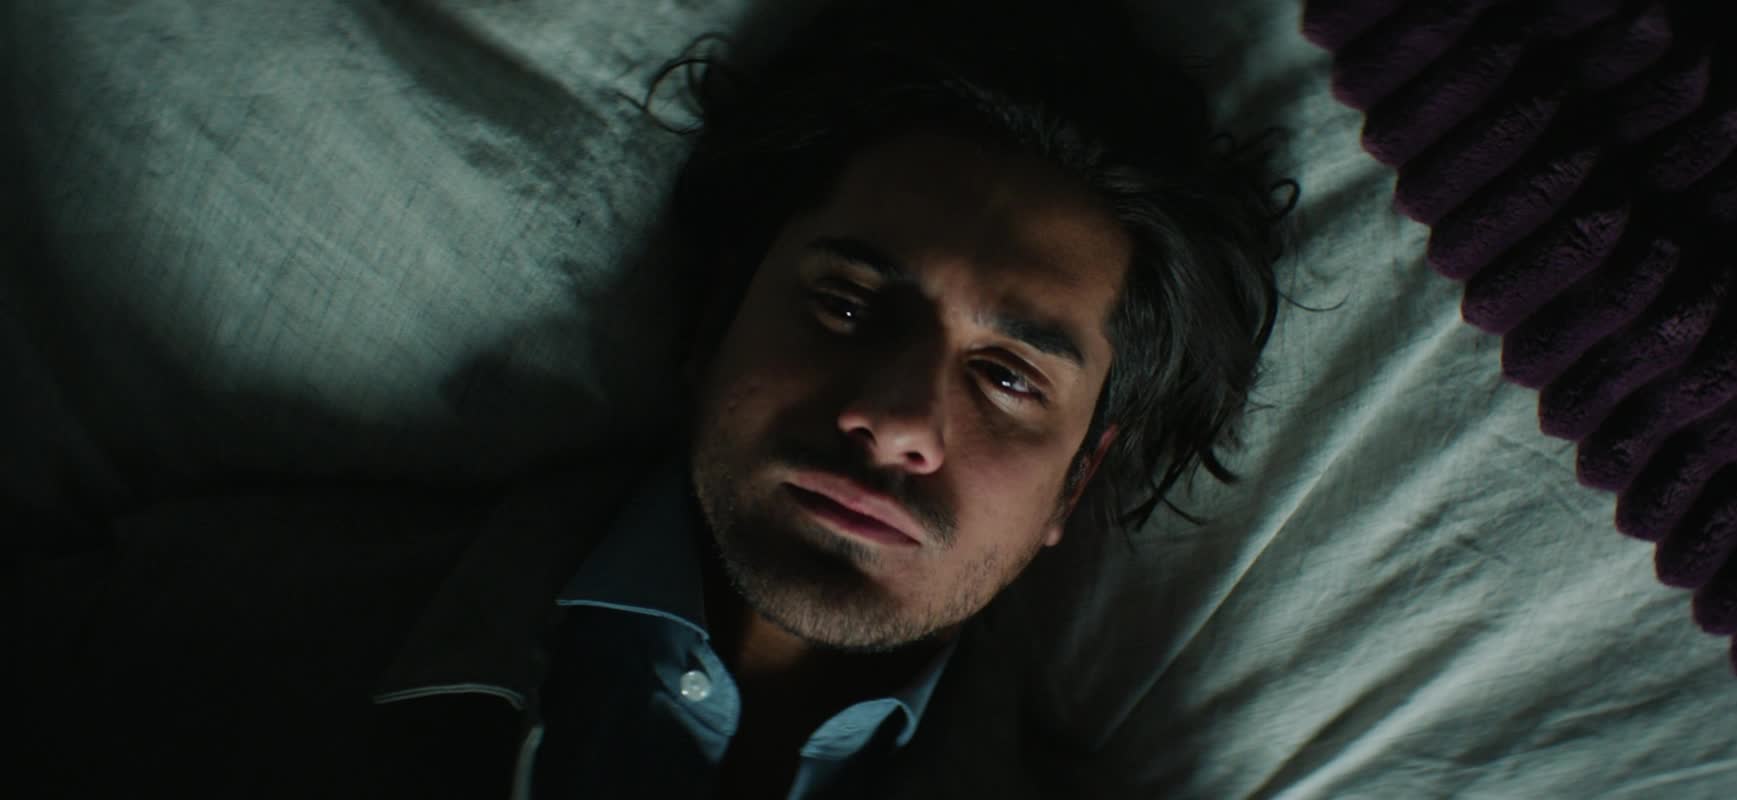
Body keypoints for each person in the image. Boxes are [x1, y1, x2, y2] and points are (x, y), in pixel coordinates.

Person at [17, 1, 1287, 798]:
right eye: (848, 305)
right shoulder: (217, 624)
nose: (897, 417)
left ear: (1078, 478)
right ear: (714, 316)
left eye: (1009, 378)